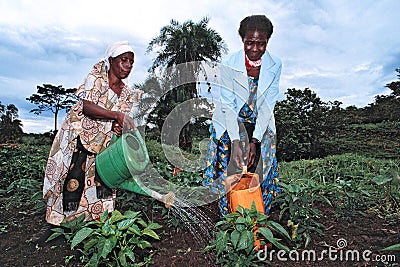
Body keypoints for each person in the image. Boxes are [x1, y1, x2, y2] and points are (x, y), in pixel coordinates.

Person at [43, 41, 141, 225]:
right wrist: (116, 116)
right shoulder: (96, 77)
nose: (127, 65)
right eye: (123, 60)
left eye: (131, 62)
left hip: (102, 142)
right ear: (111, 60)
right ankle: (58, 223)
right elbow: (88, 107)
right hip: (78, 136)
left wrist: (118, 126)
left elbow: (118, 120)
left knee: (100, 179)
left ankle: (97, 222)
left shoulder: (126, 93)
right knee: (71, 178)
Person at [203, 15, 282, 217]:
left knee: (260, 172)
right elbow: (228, 105)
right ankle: (228, 221)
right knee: (229, 170)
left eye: (260, 44)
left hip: (259, 124)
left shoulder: (275, 65)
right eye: (249, 43)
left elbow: (266, 106)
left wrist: (254, 141)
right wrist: (237, 141)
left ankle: (257, 222)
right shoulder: (229, 63)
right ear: (242, 41)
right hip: (230, 121)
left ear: (267, 42)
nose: (254, 49)